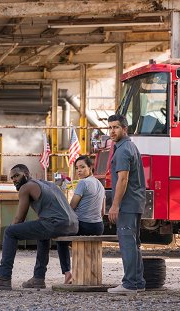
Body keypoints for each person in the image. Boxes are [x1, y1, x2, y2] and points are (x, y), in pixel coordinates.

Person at [0, 164, 78, 290]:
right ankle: (38, 278)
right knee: (41, 232)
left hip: (56, 224)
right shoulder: (49, 184)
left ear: (26, 174)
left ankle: (3, 278)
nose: (14, 179)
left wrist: (10, 231)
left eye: (16, 176)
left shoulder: (26, 188)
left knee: (10, 232)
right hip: (73, 225)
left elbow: (19, 219)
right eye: (12, 178)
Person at [106, 114, 146, 295]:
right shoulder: (129, 146)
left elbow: (123, 179)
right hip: (135, 202)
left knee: (127, 243)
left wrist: (114, 206)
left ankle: (130, 284)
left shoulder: (122, 150)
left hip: (127, 204)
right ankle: (138, 282)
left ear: (125, 129)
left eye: (116, 127)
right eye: (110, 128)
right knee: (134, 244)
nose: (112, 131)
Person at [56, 155, 105, 284]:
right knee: (75, 240)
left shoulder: (83, 183)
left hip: (84, 225)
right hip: (99, 226)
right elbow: (102, 211)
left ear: (90, 168)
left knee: (61, 240)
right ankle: (87, 271)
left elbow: (72, 206)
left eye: (82, 167)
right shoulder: (100, 184)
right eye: (77, 168)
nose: (79, 171)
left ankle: (67, 273)